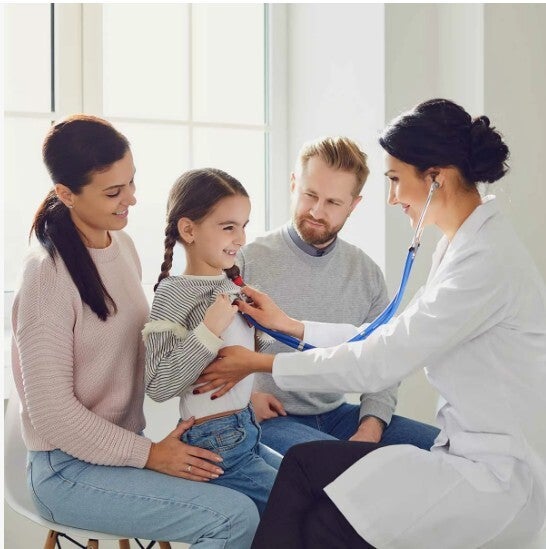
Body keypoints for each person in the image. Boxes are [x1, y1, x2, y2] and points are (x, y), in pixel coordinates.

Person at [196, 99, 546, 548]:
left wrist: (262, 364)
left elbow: (382, 359)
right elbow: (385, 340)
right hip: (472, 455)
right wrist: (293, 327)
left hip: (494, 473)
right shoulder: (464, 248)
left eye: (396, 179)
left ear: (436, 179)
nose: (392, 197)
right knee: (322, 509)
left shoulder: (483, 262)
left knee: (317, 490)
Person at [10, 115, 260, 547]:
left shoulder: (121, 246)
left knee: (286, 496)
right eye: (113, 192)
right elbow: (52, 415)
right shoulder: (45, 276)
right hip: (66, 471)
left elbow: (160, 356)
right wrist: (149, 455)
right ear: (66, 194)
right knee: (233, 517)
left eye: (131, 182)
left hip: (124, 450)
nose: (132, 198)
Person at [237, 136, 439, 454]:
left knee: (442, 449)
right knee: (338, 464)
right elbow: (210, 350)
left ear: (353, 205)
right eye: (310, 195)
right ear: (294, 184)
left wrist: (371, 425)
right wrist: (245, 399)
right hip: (272, 416)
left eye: (333, 203)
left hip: (339, 415)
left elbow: (384, 361)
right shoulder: (246, 261)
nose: (317, 211)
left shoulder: (366, 273)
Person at [143, 168, 281, 515]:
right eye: (229, 227)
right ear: (189, 230)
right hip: (216, 441)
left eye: (244, 225)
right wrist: (207, 329)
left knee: (313, 489)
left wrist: (262, 327)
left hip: (247, 427)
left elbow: (240, 361)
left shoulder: (232, 286)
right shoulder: (173, 293)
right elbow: (158, 385)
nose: (242, 238)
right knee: (301, 507)